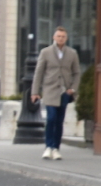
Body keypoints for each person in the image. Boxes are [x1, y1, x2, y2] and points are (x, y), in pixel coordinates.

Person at [31, 26, 81, 160]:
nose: (61, 38)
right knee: (51, 118)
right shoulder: (45, 52)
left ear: (66, 38)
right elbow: (38, 73)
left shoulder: (72, 53)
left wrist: (73, 88)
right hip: (50, 90)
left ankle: (56, 148)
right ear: (54, 37)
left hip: (64, 92)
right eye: (58, 36)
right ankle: (48, 146)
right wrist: (35, 92)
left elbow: (76, 73)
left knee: (59, 121)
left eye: (63, 36)